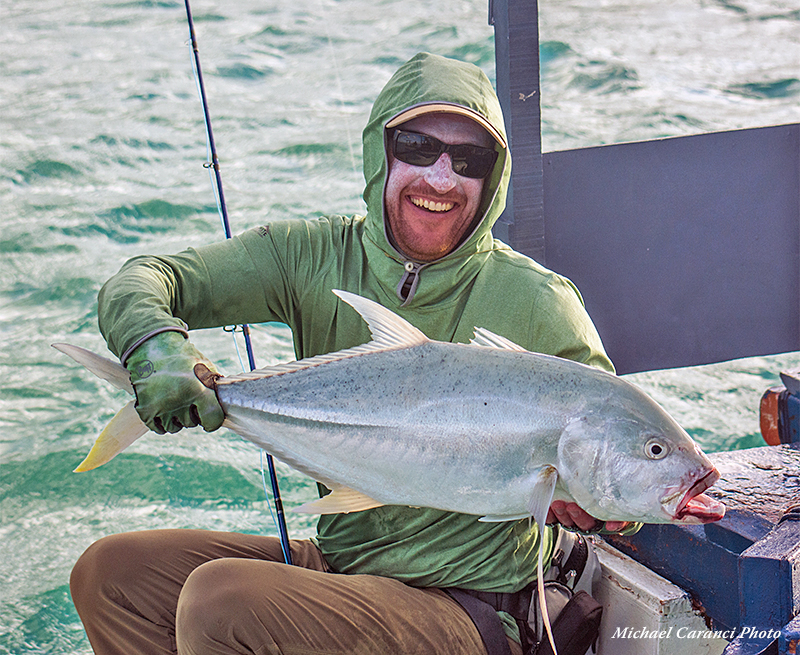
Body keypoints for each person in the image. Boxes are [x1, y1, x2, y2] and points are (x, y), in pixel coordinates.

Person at [71, 52, 637, 655]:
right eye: (418, 147)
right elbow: (145, 280)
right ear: (380, 154)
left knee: (221, 600)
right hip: (352, 573)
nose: (441, 180)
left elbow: (618, 449)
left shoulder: (537, 301)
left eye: (470, 160)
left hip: (474, 607)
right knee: (112, 576)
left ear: (493, 179)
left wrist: (604, 510)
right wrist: (153, 345)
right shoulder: (310, 256)